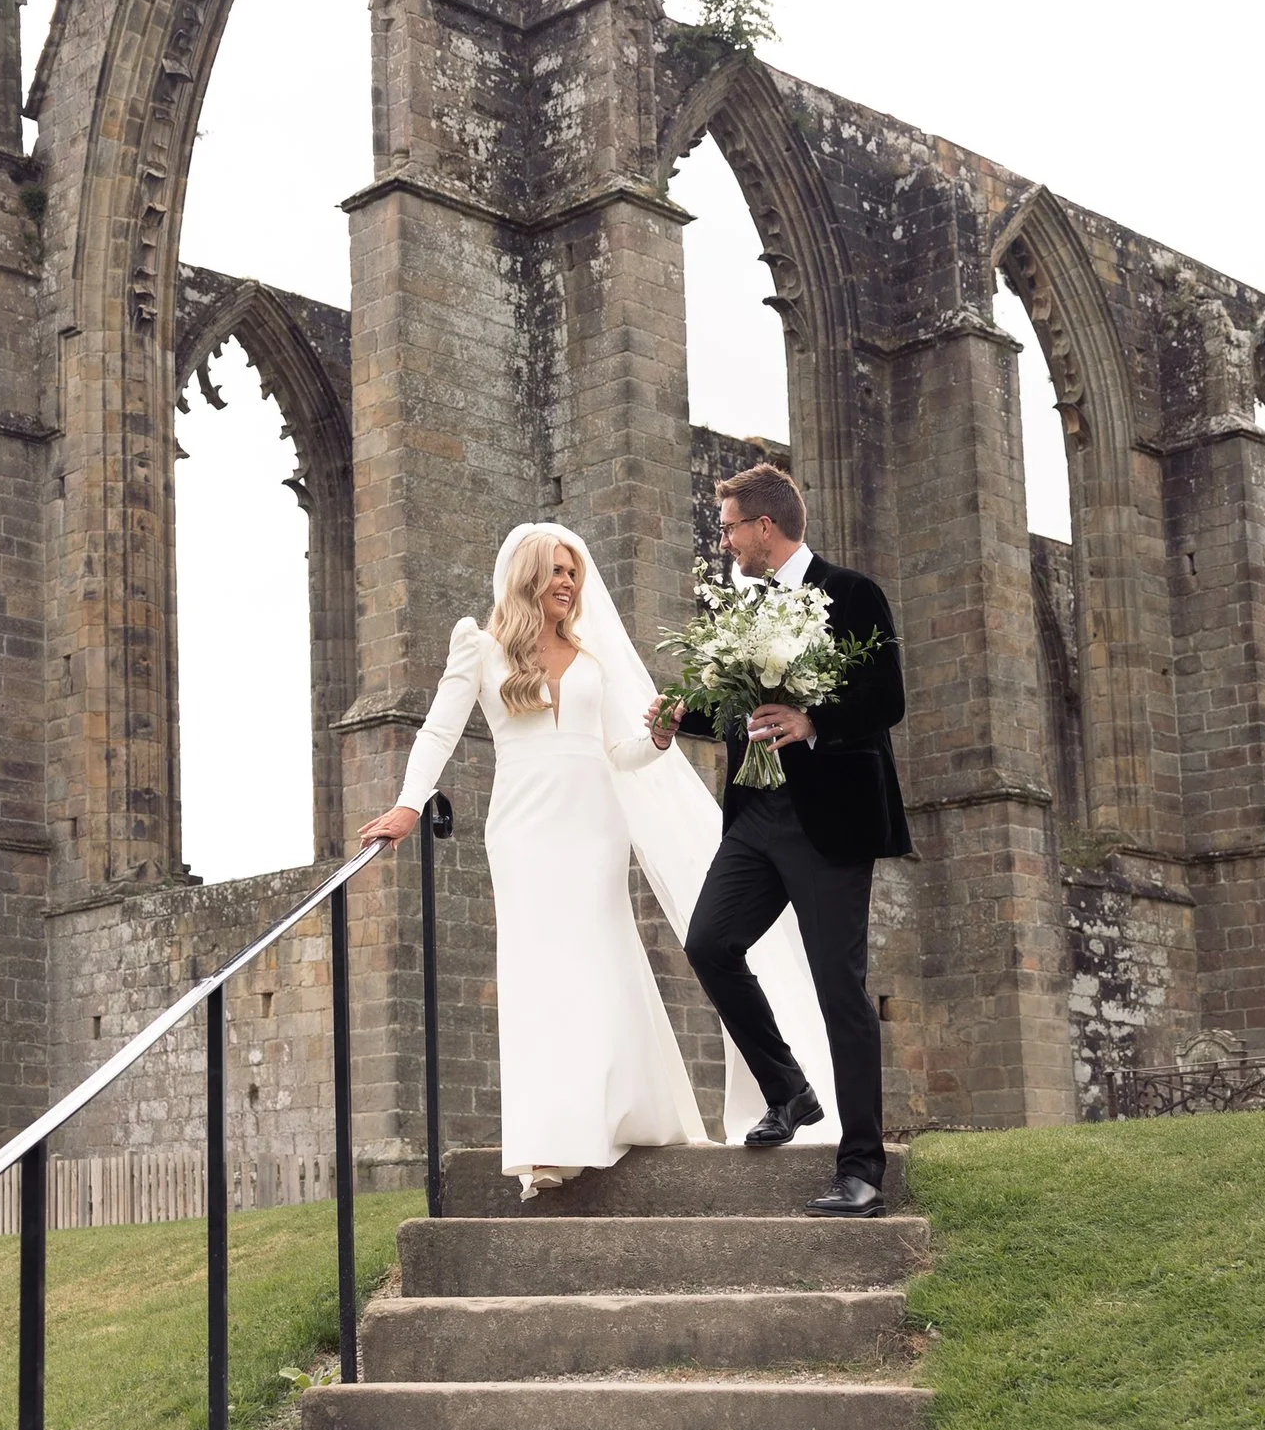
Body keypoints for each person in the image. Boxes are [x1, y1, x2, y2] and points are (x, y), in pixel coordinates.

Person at [359, 524, 833, 1200]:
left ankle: (623, 1114)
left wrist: (661, 738)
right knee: (537, 975)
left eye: (573, 572)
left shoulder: (590, 661)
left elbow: (620, 753)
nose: (567, 582)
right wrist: (410, 804)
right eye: (555, 570)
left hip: (595, 823)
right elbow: (439, 728)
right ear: (525, 574)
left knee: (602, 960)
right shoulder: (480, 647)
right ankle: (550, 1143)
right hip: (522, 826)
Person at [649, 460, 909, 1216]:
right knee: (708, 944)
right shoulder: (742, 606)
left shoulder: (852, 593)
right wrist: (681, 714)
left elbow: (886, 697)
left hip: (828, 823)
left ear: (766, 526)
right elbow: (740, 707)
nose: (724, 540)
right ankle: (790, 1089)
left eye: (729, 526)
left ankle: (861, 1167)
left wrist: (814, 721)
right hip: (754, 820)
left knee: (840, 991)